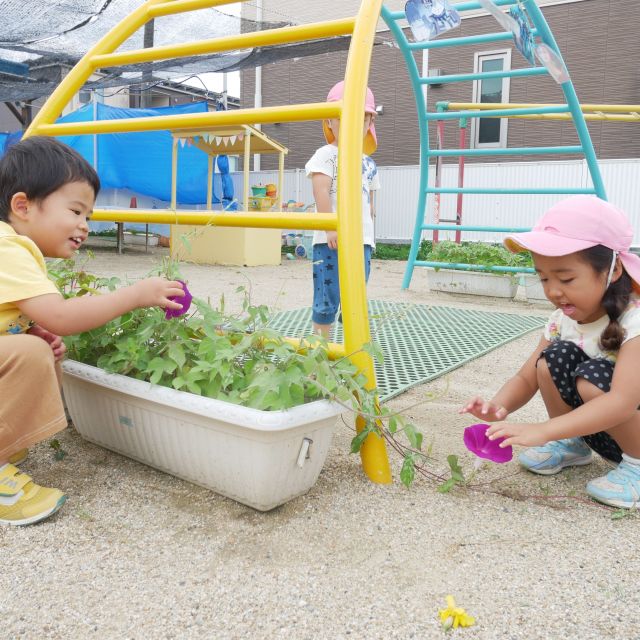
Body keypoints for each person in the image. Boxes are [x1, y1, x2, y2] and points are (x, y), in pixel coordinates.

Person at [0, 136, 186, 526]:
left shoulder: (14, 248)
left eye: (88, 215)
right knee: (33, 352)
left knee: (38, 348)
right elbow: (62, 317)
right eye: (76, 211)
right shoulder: (7, 249)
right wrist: (135, 295)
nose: (85, 226)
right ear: (23, 206)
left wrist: (26, 330)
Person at [460, 195, 640, 509]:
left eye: (566, 278)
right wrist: (498, 408)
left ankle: (637, 466)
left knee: (591, 378)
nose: (553, 291)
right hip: (595, 429)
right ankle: (571, 445)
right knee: (550, 360)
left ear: (613, 270)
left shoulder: (633, 319)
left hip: (628, 427)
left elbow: (623, 402)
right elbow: (527, 377)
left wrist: (543, 430)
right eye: (543, 277)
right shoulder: (561, 321)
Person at [306, 80, 380, 338]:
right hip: (330, 241)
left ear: (369, 122)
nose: (352, 125)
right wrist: (330, 228)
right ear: (330, 121)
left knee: (355, 297)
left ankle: (351, 351)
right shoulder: (326, 154)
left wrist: (369, 234)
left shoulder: (368, 162)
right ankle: (320, 349)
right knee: (327, 297)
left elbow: (369, 201)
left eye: (360, 119)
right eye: (343, 118)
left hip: (361, 241)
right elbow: (321, 191)